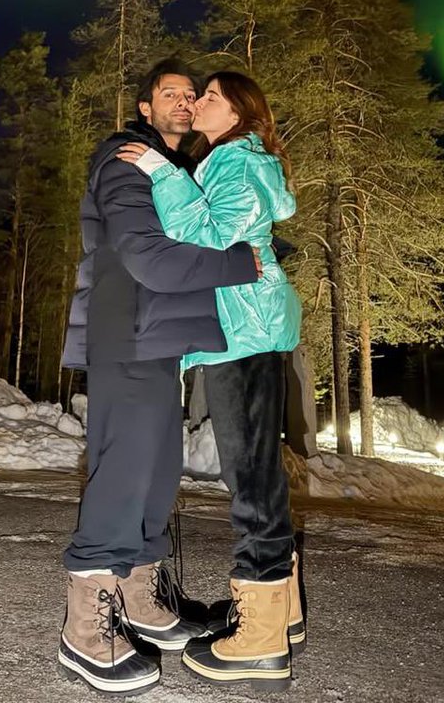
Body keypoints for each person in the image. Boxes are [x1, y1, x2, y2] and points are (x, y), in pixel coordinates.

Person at [58, 59, 261, 696]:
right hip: (126, 332)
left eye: (190, 95)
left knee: (156, 469)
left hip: (158, 339)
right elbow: (145, 255)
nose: (182, 103)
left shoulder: (173, 171)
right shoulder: (125, 159)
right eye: (167, 95)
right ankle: (83, 627)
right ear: (146, 109)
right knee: (124, 469)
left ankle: (141, 601)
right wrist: (239, 264)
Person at [118, 71, 305, 693]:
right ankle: (282, 612)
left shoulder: (237, 160)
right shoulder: (231, 159)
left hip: (244, 329)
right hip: (241, 326)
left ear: (241, 114)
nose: (198, 103)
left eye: (212, 97)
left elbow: (210, 239)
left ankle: (259, 639)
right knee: (252, 470)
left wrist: (161, 173)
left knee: (249, 477)